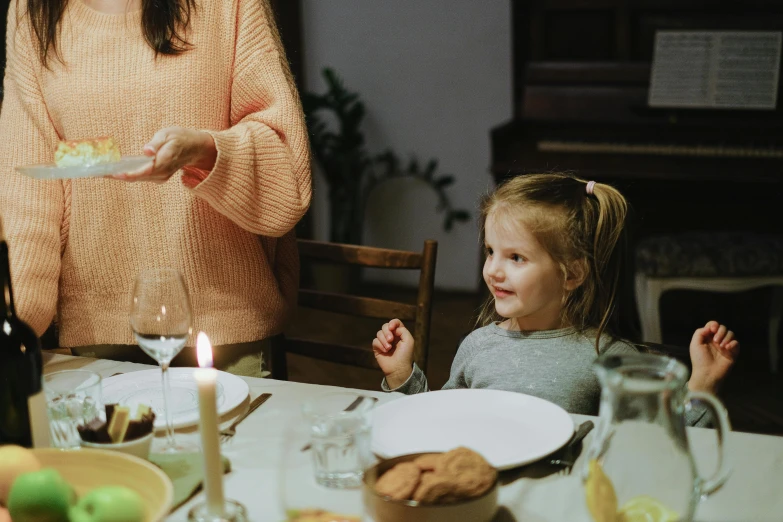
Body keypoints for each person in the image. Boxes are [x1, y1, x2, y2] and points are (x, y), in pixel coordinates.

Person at [0, 0, 311, 375]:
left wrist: (206, 152)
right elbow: (25, 200)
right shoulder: (33, 11)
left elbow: (287, 178)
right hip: (97, 335)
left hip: (224, 326)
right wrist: (15, 327)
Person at [372, 174, 739, 425]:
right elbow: (438, 423)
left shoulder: (608, 357)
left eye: (516, 258)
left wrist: (701, 386)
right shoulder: (477, 345)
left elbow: (662, 440)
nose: (493, 270)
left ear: (572, 274)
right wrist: (403, 375)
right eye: (490, 251)